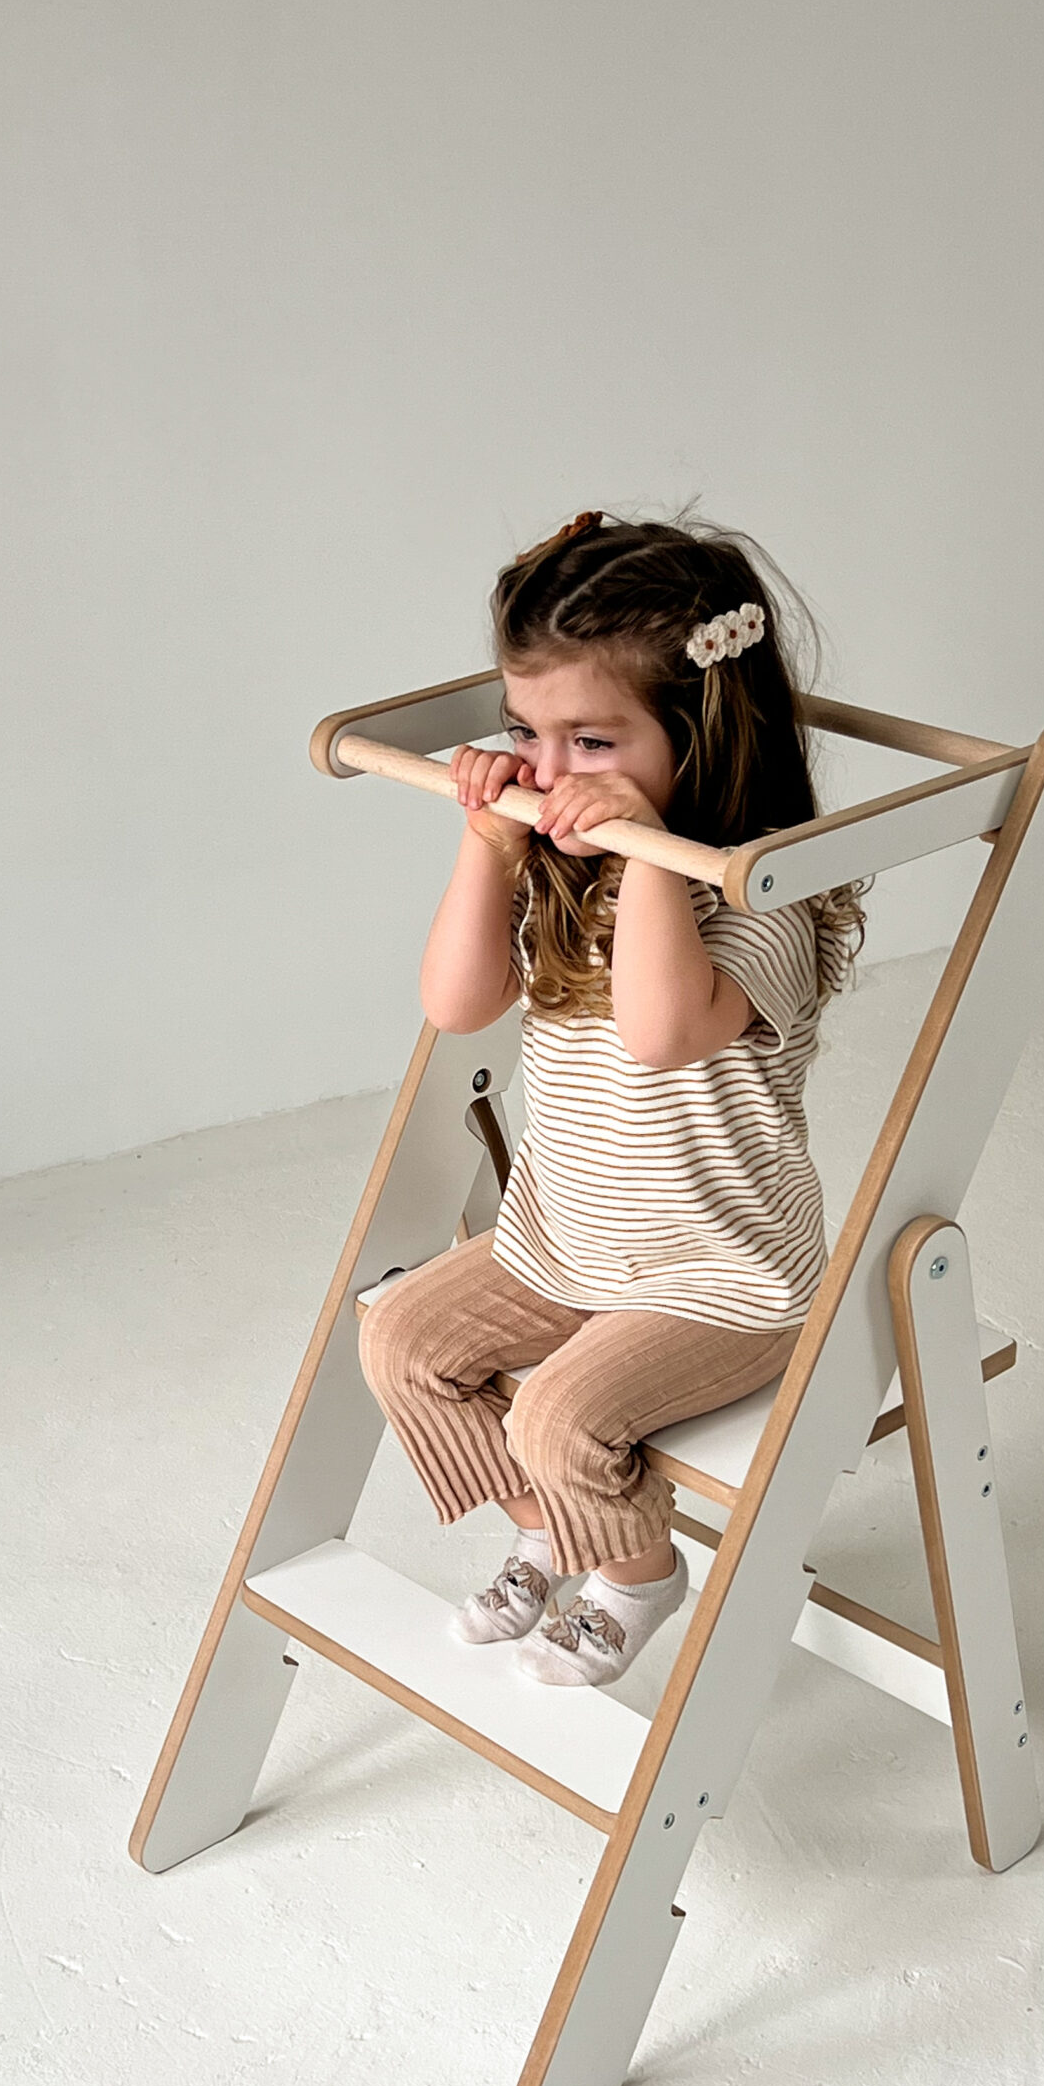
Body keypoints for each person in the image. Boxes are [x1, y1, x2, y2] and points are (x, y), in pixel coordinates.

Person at [359, 512, 864, 1687]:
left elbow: (659, 1031)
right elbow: (456, 1005)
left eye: (591, 740)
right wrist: (489, 844)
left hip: (723, 1280)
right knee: (401, 1340)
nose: (547, 771)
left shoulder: (763, 900)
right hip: (571, 1242)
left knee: (558, 1415)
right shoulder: (556, 860)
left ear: (700, 733)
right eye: (524, 732)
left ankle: (635, 1571)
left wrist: (647, 857)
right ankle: (551, 1528)